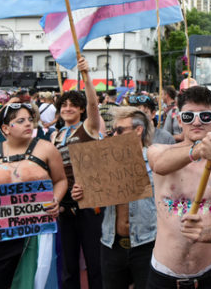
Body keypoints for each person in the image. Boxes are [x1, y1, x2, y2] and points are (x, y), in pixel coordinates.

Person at [146, 86, 211, 288]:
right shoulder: (159, 151)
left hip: (210, 276)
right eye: (189, 116)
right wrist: (198, 150)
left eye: (205, 116)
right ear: (179, 120)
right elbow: (160, 165)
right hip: (163, 276)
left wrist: (204, 234)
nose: (197, 121)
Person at [0, 102, 66, 289]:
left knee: (36, 281)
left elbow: (60, 180)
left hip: (37, 230)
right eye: (21, 121)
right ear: (6, 128)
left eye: (30, 120)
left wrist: (55, 200)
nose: (28, 124)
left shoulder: (47, 148)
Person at [71, 106, 157, 289]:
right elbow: (91, 195)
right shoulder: (105, 161)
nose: (114, 135)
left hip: (147, 243)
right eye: (113, 131)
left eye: (120, 130)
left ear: (138, 131)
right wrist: (80, 193)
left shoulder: (155, 160)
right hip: (111, 243)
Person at [49, 56, 104, 289]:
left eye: (73, 105)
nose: (67, 108)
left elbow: (94, 105)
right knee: (68, 265)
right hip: (65, 204)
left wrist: (86, 77)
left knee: (95, 262)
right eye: (63, 105)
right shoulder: (54, 135)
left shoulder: (89, 128)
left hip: (91, 201)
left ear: (81, 109)